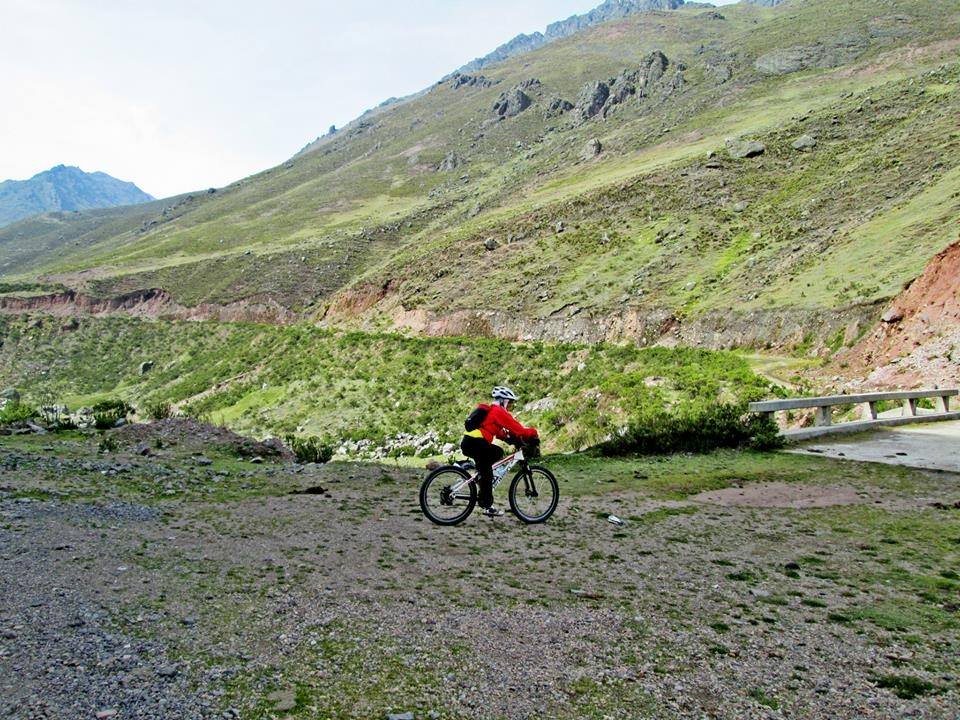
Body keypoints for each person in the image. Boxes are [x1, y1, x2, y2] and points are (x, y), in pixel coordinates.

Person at [461, 386, 539, 517]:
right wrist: (533, 434)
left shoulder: (492, 412)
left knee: (488, 465)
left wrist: (513, 440)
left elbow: (500, 433)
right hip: (476, 442)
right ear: (504, 400)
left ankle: (481, 478)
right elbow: (518, 428)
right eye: (510, 403)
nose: (509, 406)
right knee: (495, 454)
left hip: (470, 442)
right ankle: (487, 505)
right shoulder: (498, 411)